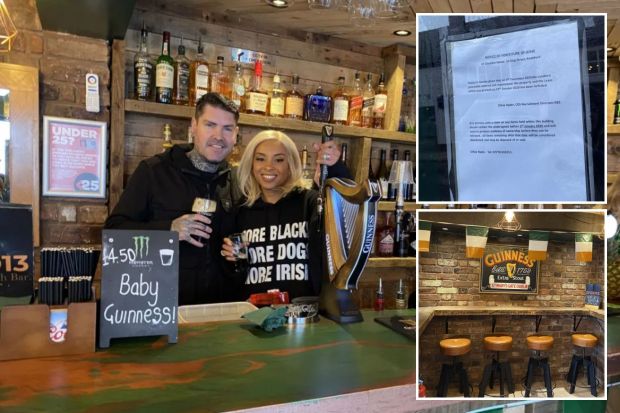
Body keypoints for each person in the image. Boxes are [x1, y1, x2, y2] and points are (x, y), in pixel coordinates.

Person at [105, 93, 344, 305]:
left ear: (236, 135)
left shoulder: (238, 182)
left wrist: (327, 177)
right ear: (193, 126)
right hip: (161, 307)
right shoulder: (154, 172)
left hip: (225, 313)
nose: (218, 136)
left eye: (227, 128)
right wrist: (169, 230)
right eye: (210, 125)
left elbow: (291, 212)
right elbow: (115, 232)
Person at [220, 130, 350, 301]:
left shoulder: (310, 203)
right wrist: (233, 259)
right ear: (251, 164)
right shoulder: (240, 211)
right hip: (253, 316)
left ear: (291, 164)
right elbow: (233, 277)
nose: (268, 166)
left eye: (279, 160)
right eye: (260, 159)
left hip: (303, 315)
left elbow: (343, 217)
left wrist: (335, 168)